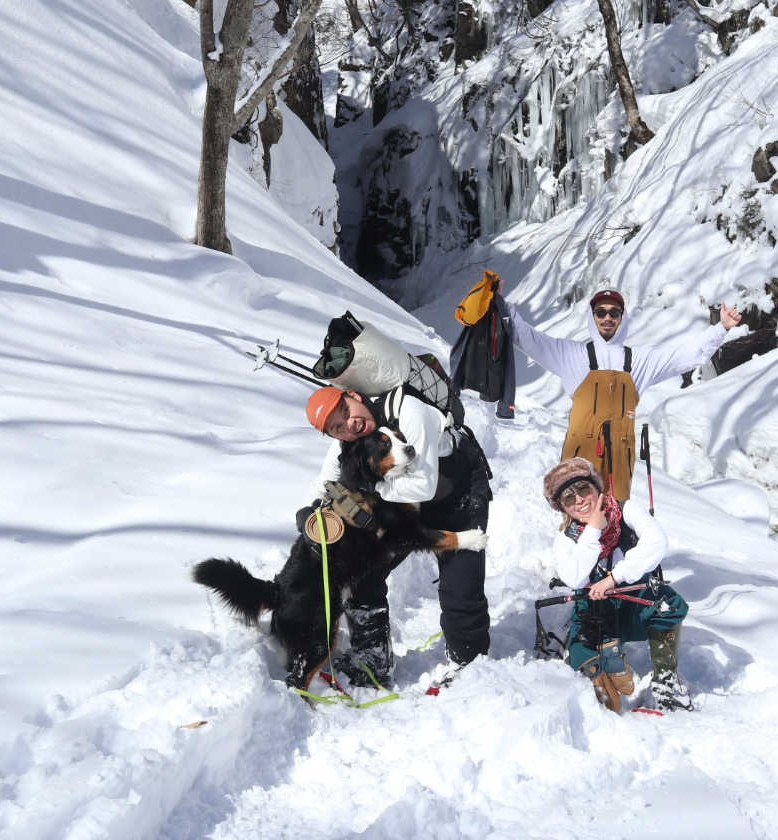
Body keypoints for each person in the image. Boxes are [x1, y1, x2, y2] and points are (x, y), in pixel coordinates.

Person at [303, 385, 491, 689]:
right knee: (364, 571)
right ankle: (372, 660)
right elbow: (324, 481)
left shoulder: (410, 413)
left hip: (455, 489)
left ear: (355, 396)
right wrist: (308, 513)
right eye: (337, 427)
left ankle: (469, 665)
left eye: (346, 412)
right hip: (405, 499)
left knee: (460, 586)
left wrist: (369, 488)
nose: (348, 425)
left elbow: (423, 487)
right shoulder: (351, 440)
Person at [502, 285, 742, 501]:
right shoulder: (570, 354)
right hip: (580, 457)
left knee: (615, 522)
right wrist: (500, 303)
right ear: (592, 316)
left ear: (622, 318)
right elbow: (527, 337)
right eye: (601, 312)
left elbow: (683, 356)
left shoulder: (638, 360)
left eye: (614, 313)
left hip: (619, 459)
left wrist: (720, 329)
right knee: (579, 524)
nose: (607, 317)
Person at [544, 458, 691, 712]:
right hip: (594, 612)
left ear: (596, 488)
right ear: (562, 508)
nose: (579, 500)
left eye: (583, 489)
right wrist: (592, 531)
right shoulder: (565, 540)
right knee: (582, 662)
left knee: (670, 605)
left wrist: (614, 578)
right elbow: (575, 577)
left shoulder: (627, 510)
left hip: (636, 604)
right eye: (568, 499)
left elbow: (656, 541)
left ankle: (667, 679)